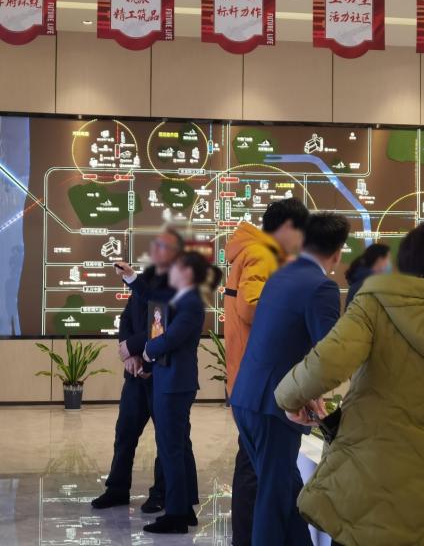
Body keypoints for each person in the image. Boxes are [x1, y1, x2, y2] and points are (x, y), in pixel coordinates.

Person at [274, 222, 424, 546]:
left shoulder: (376, 304)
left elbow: (325, 364)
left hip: (364, 492)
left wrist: (288, 399)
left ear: (406, 262)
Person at [231, 213, 350, 546]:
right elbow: (329, 353)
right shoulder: (322, 287)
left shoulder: (280, 275)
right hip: (275, 406)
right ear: (337, 253)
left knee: (282, 487)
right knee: (273, 496)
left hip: (247, 398)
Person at [225, 197, 309, 545]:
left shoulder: (252, 251)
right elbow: (251, 307)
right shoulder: (263, 254)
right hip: (261, 379)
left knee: (264, 469)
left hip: (249, 377)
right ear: (288, 227)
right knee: (260, 472)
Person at [116, 251, 210, 534]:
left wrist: (146, 351)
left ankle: (176, 515)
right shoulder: (179, 296)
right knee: (175, 448)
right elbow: (149, 297)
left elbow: (171, 337)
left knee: (171, 449)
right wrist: (131, 277)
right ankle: (183, 509)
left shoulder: (191, 302)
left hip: (175, 384)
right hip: (169, 381)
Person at [91, 228, 183, 512]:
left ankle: (161, 494)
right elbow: (126, 319)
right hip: (135, 375)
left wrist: (135, 350)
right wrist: (129, 353)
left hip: (161, 374)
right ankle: (117, 489)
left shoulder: (179, 285)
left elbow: (163, 325)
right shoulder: (146, 280)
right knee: (125, 433)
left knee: (165, 439)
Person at [344, 243, 390, 309]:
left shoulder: (359, 280)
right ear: (379, 259)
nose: (388, 263)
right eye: (387, 259)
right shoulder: (372, 286)